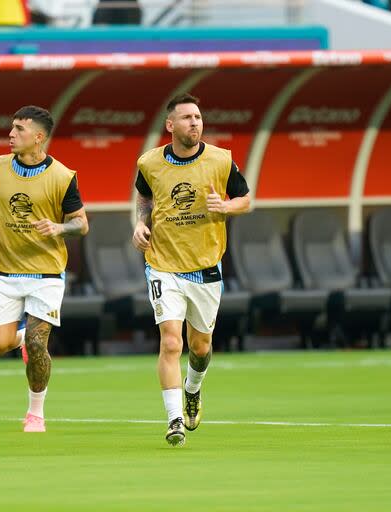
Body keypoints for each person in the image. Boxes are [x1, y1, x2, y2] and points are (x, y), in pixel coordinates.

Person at [132, 93, 251, 446]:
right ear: (171, 125)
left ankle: (193, 389)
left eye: (198, 117)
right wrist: (140, 225)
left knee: (200, 347)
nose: (194, 123)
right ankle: (173, 421)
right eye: (187, 118)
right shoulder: (149, 163)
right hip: (163, 265)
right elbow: (144, 197)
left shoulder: (220, 159)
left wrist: (227, 206)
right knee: (171, 341)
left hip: (205, 268)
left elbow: (246, 199)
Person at [0, 105, 88, 433]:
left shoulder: (62, 177)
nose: (11, 134)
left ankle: (35, 413)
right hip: (6, 273)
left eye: (19, 129)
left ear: (38, 137)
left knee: (39, 345)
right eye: (11, 128)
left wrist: (58, 228)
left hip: (46, 274)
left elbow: (81, 224)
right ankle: (22, 336)